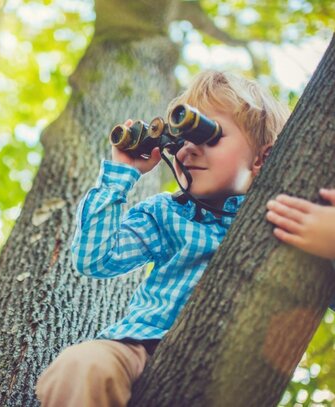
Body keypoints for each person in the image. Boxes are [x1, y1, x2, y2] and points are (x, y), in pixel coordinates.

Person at [35, 70, 290, 407]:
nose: (187, 151)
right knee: (82, 365)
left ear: (261, 158)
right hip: (142, 349)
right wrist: (122, 174)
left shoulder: (280, 222)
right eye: (181, 140)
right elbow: (94, 258)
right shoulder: (167, 213)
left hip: (231, 373)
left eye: (209, 134)